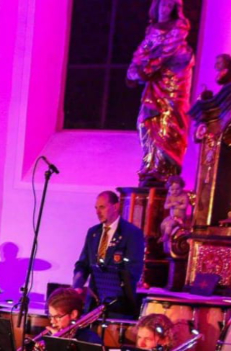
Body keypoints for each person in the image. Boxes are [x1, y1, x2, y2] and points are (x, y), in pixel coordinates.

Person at [126, 0, 194, 184]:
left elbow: (166, 53)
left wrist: (145, 70)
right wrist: (133, 71)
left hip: (172, 85)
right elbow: (142, 53)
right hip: (154, 86)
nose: (165, 9)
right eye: (163, 5)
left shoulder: (179, 28)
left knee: (168, 125)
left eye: (170, 6)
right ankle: (151, 166)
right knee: (145, 123)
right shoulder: (152, 29)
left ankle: (165, 169)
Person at [72, 190, 146, 317]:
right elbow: (83, 264)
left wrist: (114, 287)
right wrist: (77, 286)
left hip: (119, 306)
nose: (97, 212)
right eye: (96, 208)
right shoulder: (93, 232)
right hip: (93, 305)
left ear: (115, 207)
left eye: (102, 207)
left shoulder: (132, 233)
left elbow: (134, 269)